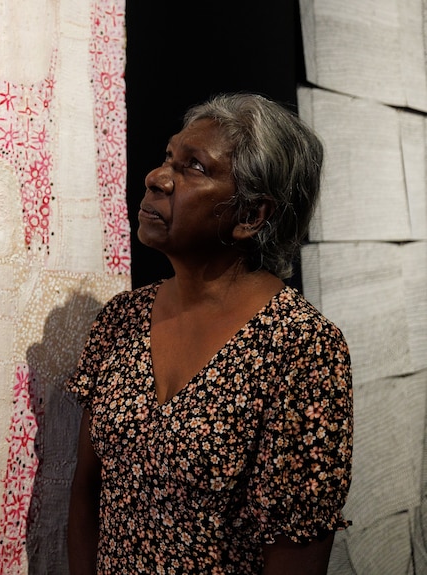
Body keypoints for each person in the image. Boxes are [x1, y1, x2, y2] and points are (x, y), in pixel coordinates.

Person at [66, 92, 353, 574]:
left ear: (250, 216)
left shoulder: (301, 348)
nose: (156, 178)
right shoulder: (122, 319)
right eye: (168, 158)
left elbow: (294, 550)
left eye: (193, 167)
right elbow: (86, 493)